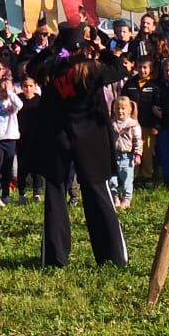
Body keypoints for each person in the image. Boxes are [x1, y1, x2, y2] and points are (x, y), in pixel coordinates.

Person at [27, 33, 129, 268]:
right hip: (90, 141)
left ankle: (54, 258)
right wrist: (102, 48)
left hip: (57, 138)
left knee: (55, 195)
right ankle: (112, 257)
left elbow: (32, 67)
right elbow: (120, 68)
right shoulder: (93, 69)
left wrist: (50, 50)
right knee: (98, 194)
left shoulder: (51, 71)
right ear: (84, 48)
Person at [110, 95, 142, 211]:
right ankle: (115, 196)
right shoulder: (112, 123)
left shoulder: (133, 124)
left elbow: (138, 140)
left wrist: (138, 154)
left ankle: (126, 199)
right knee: (112, 178)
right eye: (118, 108)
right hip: (113, 155)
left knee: (126, 178)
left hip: (126, 156)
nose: (120, 111)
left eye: (123, 109)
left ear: (129, 110)